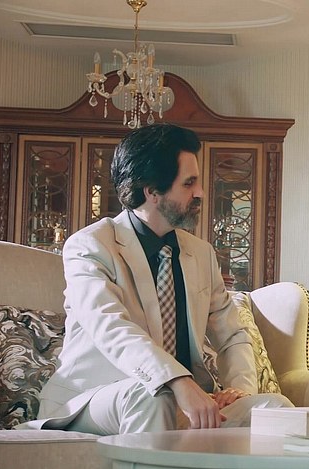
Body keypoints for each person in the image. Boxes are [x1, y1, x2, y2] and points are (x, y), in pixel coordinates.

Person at [22, 123, 292, 435]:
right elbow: (111, 328)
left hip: (185, 399)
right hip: (95, 398)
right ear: (151, 191)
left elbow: (232, 334)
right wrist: (177, 380)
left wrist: (238, 391)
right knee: (153, 396)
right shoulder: (90, 246)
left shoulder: (201, 254)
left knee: (274, 409)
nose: (201, 192)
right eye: (189, 183)